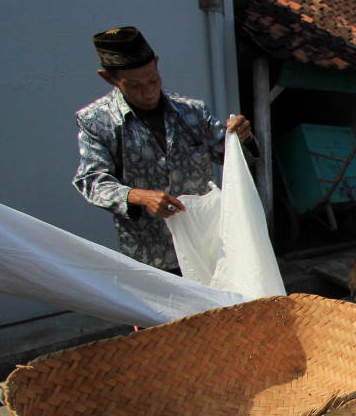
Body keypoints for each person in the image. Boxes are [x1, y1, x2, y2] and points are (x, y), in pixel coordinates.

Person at [74, 26, 256, 272]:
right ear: (109, 79)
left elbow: (228, 154)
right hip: (150, 253)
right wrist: (139, 196)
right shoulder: (98, 121)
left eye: (153, 80)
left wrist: (242, 136)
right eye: (135, 85)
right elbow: (91, 180)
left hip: (207, 244)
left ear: (157, 65)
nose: (148, 92)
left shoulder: (192, 111)